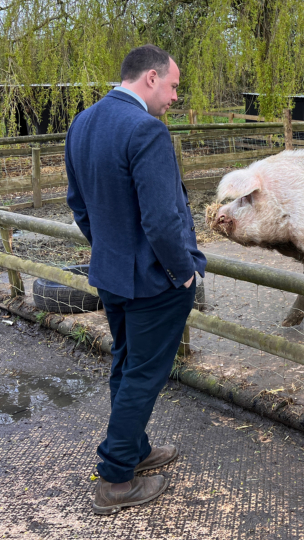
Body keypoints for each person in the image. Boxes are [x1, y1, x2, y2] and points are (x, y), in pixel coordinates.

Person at [65, 45, 206, 515]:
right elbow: (163, 221)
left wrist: (109, 246)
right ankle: (115, 479)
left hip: (110, 275)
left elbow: (79, 204)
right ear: (150, 78)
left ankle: (136, 448)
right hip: (154, 284)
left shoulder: (82, 123)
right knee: (143, 376)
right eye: (173, 87)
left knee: (126, 367)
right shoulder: (147, 130)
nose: (173, 98)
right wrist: (183, 273)